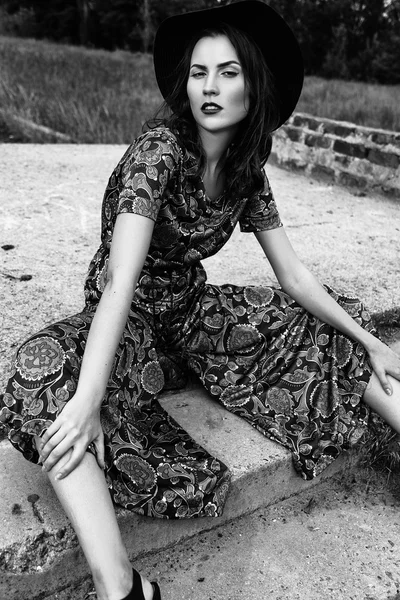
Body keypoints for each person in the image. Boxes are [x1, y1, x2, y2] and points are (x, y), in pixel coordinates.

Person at [1, 1, 400, 598]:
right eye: (198, 72)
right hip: (129, 318)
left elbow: (293, 276)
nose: (209, 87)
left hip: (192, 313)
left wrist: (373, 342)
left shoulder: (248, 169)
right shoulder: (157, 155)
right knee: (41, 374)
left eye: (228, 72)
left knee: (320, 321)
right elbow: (118, 285)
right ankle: (124, 589)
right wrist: (89, 399)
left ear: (253, 84)